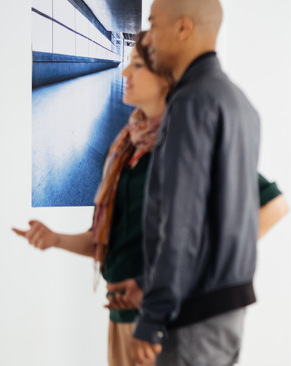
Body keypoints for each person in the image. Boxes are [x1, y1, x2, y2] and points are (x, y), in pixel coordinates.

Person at [13, 31, 172, 366]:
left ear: (166, 78)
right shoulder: (127, 146)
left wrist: (152, 294)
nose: (125, 73)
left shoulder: (182, 146)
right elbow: (108, 240)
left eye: (137, 65)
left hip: (159, 322)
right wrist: (54, 238)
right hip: (121, 315)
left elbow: (206, 241)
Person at [132, 0, 260, 366]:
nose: (148, 38)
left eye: (153, 24)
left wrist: (154, 313)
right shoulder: (238, 101)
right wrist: (145, 284)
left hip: (193, 307)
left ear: (184, 27)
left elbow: (183, 218)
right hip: (226, 300)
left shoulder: (191, 101)